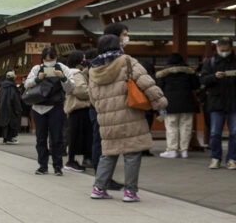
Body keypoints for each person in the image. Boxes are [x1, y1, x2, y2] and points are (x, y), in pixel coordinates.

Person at [88, 35, 167, 201]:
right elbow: (146, 82)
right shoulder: (127, 61)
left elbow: (93, 97)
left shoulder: (94, 68)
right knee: (132, 153)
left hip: (107, 119)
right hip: (130, 114)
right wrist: (160, 102)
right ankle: (130, 192)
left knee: (108, 153)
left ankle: (98, 188)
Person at [24, 46, 75, 176]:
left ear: (56, 58)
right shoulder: (36, 69)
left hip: (56, 107)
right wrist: (37, 79)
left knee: (57, 138)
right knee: (40, 138)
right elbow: (26, 84)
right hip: (38, 107)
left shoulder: (63, 68)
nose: (48, 63)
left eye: (51, 59)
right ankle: (43, 166)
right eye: (46, 60)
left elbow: (71, 88)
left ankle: (58, 166)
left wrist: (62, 77)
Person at [200, 36, 236, 169]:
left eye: (226, 49)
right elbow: (203, 80)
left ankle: (232, 158)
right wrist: (214, 77)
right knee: (215, 132)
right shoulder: (210, 62)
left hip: (233, 101)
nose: (224, 52)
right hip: (216, 102)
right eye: (222, 49)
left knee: (234, 133)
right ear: (217, 47)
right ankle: (215, 157)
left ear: (231, 48)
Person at [156, 53, 200, 158]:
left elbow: (159, 88)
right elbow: (196, 86)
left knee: (171, 127)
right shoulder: (190, 73)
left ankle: (172, 150)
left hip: (170, 103)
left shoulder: (163, 74)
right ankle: (184, 150)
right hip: (187, 103)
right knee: (186, 127)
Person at [63, 50, 92, 172]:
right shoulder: (76, 74)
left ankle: (73, 160)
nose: (84, 61)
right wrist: (93, 92)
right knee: (75, 136)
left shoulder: (73, 74)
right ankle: (71, 161)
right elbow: (80, 91)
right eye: (83, 58)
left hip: (75, 108)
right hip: (78, 107)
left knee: (77, 136)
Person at [0, 70, 21, 144]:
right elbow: (15, 99)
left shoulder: (2, 86)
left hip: (2, 108)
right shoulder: (12, 87)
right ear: (13, 78)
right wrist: (18, 108)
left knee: (4, 122)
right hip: (10, 108)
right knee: (10, 123)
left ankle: (5, 138)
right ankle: (10, 138)